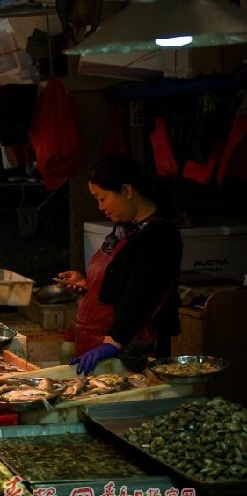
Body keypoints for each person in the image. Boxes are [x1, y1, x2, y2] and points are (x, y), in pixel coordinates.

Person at [58, 154, 182, 375]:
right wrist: (89, 284)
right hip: (101, 345)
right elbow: (120, 279)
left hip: (133, 351)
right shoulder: (126, 228)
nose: (100, 207)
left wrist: (112, 343)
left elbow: (140, 293)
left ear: (127, 190)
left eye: (102, 198)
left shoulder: (159, 234)